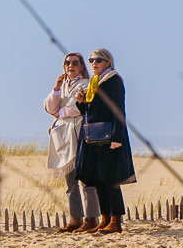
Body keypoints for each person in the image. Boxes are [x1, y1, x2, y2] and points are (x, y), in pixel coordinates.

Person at [76, 47, 134, 232]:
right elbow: (90, 113)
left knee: (111, 179)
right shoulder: (94, 82)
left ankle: (115, 222)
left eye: (98, 60)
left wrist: (117, 137)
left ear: (107, 62)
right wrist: (81, 101)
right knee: (99, 178)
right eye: (91, 60)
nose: (93, 63)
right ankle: (105, 218)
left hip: (110, 136)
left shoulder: (113, 80)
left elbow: (118, 109)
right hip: (94, 137)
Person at [45, 53, 103, 231]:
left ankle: (92, 218)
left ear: (81, 66)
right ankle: (75, 219)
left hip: (78, 132)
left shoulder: (85, 84)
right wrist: (56, 89)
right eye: (67, 63)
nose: (71, 65)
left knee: (86, 177)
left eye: (75, 63)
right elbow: (50, 107)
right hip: (63, 135)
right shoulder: (62, 86)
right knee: (70, 181)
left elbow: (75, 108)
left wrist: (60, 112)